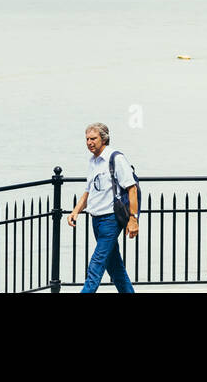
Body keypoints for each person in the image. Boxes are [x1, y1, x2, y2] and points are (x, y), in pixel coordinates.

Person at [66, 122, 138, 293]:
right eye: (87, 139)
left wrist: (133, 219)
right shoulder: (93, 161)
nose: (89, 142)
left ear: (103, 139)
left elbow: (132, 188)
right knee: (114, 267)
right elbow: (88, 192)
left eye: (93, 138)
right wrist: (75, 211)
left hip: (111, 219)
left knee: (96, 264)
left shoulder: (116, 158)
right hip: (96, 220)